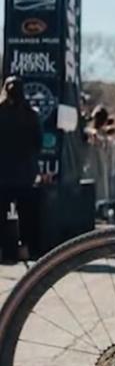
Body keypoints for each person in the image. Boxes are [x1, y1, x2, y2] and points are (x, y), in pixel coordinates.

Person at [0, 76, 43, 262]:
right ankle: (24, 249)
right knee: (27, 213)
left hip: (2, 171)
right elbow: (38, 143)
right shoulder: (31, 115)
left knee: (0, 213)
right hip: (25, 171)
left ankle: (2, 250)